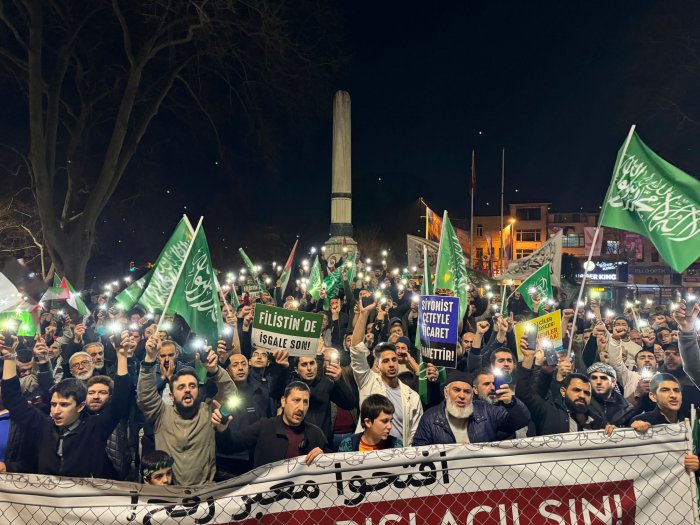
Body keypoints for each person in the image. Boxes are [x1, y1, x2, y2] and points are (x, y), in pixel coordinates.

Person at [0, 333, 130, 478]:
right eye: (53, 404)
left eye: (64, 405)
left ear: (80, 406)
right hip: (48, 492)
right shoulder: (43, 426)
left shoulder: (95, 428)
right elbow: (13, 400)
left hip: (84, 492)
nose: (56, 411)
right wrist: (9, 357)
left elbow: (120, 401)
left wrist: (122, 356)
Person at [137, 335, 236, 485]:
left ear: (198, 391)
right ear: (171, 396)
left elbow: (230, 395)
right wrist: (150, 358)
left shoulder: (208, 412)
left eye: (192, 386)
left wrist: (215, 370)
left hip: (204, 491)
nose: (187, 390)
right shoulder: (161, 414)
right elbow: (145, 395)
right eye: (181, 387)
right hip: (169, 492)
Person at [350, 291, 423, 446]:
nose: (391, 364)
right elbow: (356, 349)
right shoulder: (368, 382)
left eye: (394, 360)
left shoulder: (412, 396)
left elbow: (414, 435)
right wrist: (363, 314)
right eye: (386, 361)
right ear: (377, 364)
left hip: (398, 456)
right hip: (366, 454)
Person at [213, 381, 327, 469]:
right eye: (296, 400)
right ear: (283, 401)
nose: (301, 408)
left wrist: (325, 457)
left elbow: (333, 462)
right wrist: (222, 429)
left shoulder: (315, 433)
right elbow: (230, 446)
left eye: (305, 402)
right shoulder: (265, 427)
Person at [516, 337, 613, 436]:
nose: (582, 395)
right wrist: (528, 358)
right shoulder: (548, 413)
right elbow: (524, 395)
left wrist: (614, 432)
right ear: (563, 391)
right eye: (576, 390)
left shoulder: (599, 422)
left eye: (587, 393)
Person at [412, 369, 530, 445]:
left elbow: (522, 420)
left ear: (472, 394)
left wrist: (512, 403)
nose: (462, 396)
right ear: (446, 392)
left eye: (467, 392)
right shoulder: (430, 418)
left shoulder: (486, 411)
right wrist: (453, 451)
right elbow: (419, 450)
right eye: (456, 390)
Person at [630, 373, 700, 475]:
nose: (673, 395)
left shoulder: (693, 422)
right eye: (665, 390)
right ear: (653, 396)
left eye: (676, 390)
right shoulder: (642, 420)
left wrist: (697, 465)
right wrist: (631, 432)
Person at [338, 394, 402, 452]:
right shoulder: (348, 446)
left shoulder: (396, 445)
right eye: (384, 421)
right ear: (368, 422)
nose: (390, 426)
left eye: (390, 421)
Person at [586, 363, 638, 427]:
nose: (598, 382)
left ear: (613, 382)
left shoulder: (626, 409)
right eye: (594, 378)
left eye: (603, 378)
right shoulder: (583, 403)